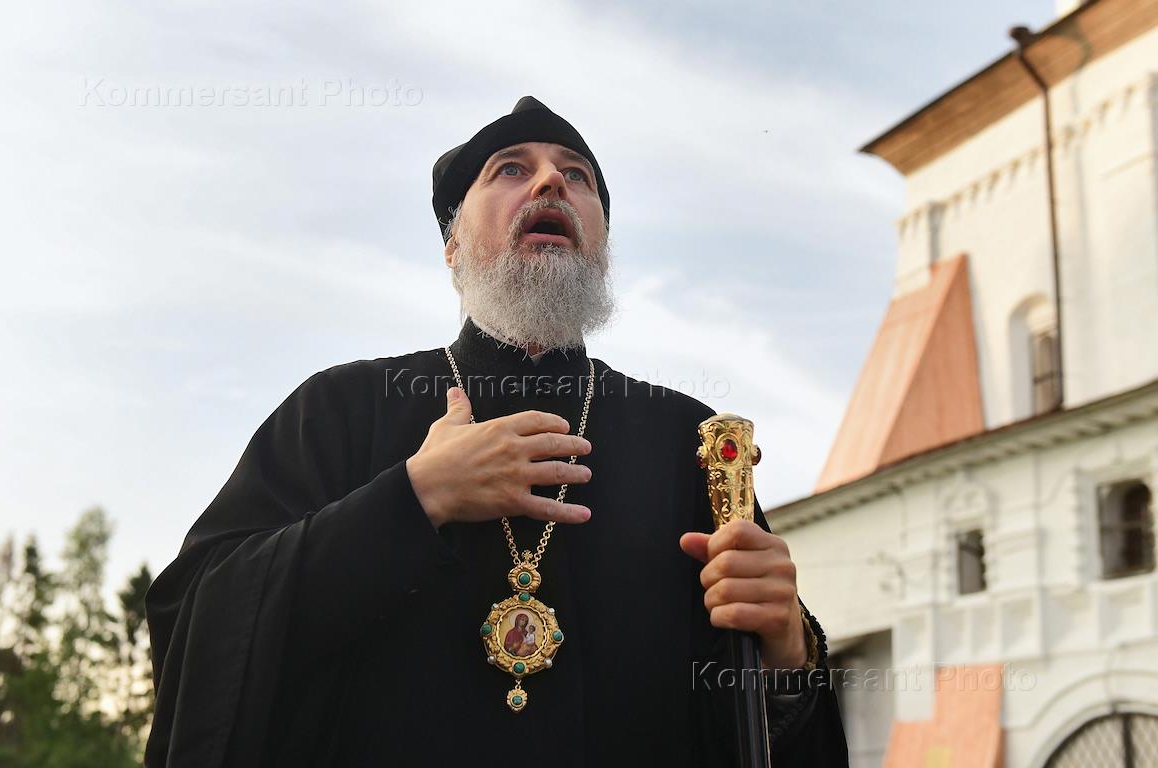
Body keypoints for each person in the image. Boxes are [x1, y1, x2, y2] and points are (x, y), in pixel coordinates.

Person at [145, 96, 849, 767]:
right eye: (511, 169)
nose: (550, 182)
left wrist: (787, 651)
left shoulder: (689, 441)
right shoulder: (340, 409)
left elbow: (752, 724)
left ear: (601, 244)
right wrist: (413, 498)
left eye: (577, 176)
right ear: (452, 245)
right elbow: (200, 619)